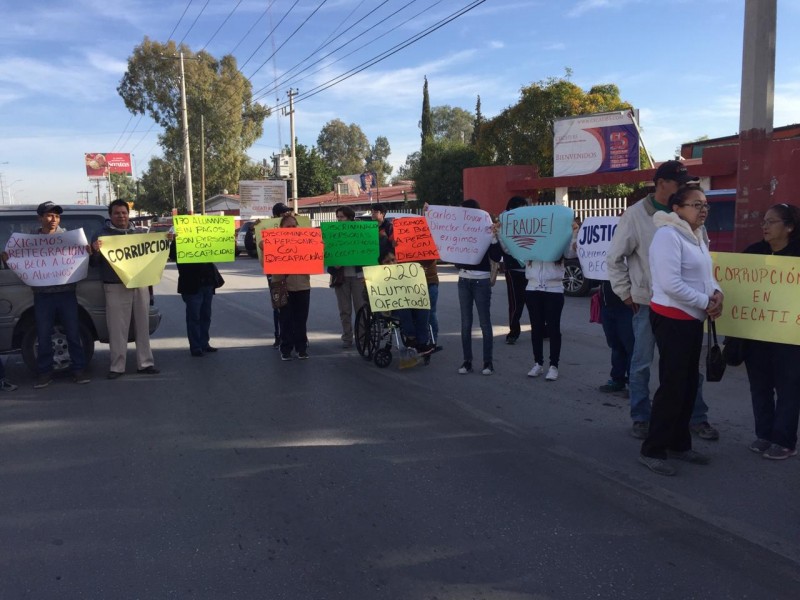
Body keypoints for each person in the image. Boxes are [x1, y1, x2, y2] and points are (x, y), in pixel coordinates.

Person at [607, 161, 720, 441]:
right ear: (661, 184)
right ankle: (642, 418)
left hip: (686, 307)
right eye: (679, 183)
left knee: (687, 367)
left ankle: (695, 417)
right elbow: (614, 258)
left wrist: (714, 292)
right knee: (642, 363)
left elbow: (705, 257)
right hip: (648, 303)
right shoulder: (636, 215)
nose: (685, 189)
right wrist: (626, 292)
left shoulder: (689, 215)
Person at [638, 186, 723, 476]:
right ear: (676, 208)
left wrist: (717, 294)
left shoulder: (696, 236)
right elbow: (670, 283)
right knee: (673, 385)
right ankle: (653, 449)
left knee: (688, 384)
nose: (703, 210)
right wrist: (705, 303)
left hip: (692, 318)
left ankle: (679, 443)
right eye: (696, 204)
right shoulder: (667, 235)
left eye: (705, 205)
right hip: (672, 318)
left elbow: (706, 275)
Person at [742, 203, 800, 460]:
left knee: (789, 388)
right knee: (760, 386)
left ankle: (784, 440)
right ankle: (764, 434)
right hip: (757, 333)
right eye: (763, 221)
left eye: (771, 221)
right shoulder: (753, 253)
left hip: (791, 336)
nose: (764, 226)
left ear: (789, 227)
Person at [91, 199, 161, 379]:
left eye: (124, 213)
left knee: (142, 326)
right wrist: (95, 251)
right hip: (114, 286)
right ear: (110, 215)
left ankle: (145, 363)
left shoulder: (137, 233)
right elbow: (94, 263)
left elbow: (150, 257)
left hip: (139, 284)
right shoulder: (101, 236)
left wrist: (166, 241)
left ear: (128, 214)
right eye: (117, 213)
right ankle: (117, 366)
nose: (121, 216)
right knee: (117, 328)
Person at [31, 202, 91, 387]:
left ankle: (79, 370)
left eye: (56, 216)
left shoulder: (69, 239)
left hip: (66, 294)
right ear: (40, 218)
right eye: (49, 215)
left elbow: (83, 259)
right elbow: (19, 260)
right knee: (43, 334)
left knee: (73, 333)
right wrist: (8, 257)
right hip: (43, 295)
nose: (53, 220)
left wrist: (88, 251)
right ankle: (44, 372)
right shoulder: (30, 241)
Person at [524, 223, 577, 382]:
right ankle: (537, 363)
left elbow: (570, 253)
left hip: (554, 289)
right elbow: (512, 250)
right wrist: (498, 235)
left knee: (553, 328)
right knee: (536, 328)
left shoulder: (559, 240)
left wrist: (574, 233)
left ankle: (554, 366)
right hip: (533, 288)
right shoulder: (529, 241)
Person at [456, 199, 503, 376]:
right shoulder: (460, 231)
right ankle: (467, 360)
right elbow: (455, 261)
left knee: (484, 322)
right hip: (464, 279)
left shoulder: (485, 230)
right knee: (466, 323)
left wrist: (492, 238)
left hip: (481, 281)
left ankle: (487, 362)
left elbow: (497, 257)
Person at [169, 240, 224, 357]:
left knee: (206, 316)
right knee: (194, 317)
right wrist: (176, 240)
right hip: (192, 284)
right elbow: (172, 255)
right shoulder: (181, 240)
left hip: (207, 283)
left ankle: (204, 343)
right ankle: (196, 346)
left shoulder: (206, 237)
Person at [272, 214, 311, 360]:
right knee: (285, 318)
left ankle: (301, 348)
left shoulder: (306, 242)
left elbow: (317, 257)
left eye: (294, 226)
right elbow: (266, 265)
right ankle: (286, 348)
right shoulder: (273, 243)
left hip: (302, 285)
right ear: (281, 228)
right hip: (282, 285)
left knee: (301, 319)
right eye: (288, 226)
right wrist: (265, 247)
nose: (292, 229)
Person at [327, 206, 366, 349]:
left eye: (342, 217)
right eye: (338, 217)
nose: (339, 220)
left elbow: (368, 251)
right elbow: (328, 253)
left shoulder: (361, 232)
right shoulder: (332, 232)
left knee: (361, 308)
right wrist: (333, 265)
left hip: (358, 276)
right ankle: (347, 337)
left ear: (350, 217)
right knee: (344, 310)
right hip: (341, 277)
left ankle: (362, 337)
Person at [597, 279, 634, 394]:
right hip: (607, 304)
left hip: (626, 305)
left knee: (631, 346)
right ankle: (617, 379)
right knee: (615, 344)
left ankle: (635, 384)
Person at [500, 196, 529, 345]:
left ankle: (541, 329)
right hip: (513, 270)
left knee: (535, 303)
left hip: (531, 270)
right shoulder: (503, 225)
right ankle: (514, 332)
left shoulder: (531, 223)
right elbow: (506, 248)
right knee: (515, 303)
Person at [267, 202, 292, 349]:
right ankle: (279, 336)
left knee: (295, 306)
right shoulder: (269, 227)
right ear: (276, 215)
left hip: (294, 273)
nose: (286, 214)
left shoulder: (295, 225)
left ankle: (296, 335)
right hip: (275, 273)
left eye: (287, 212)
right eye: (283, 213)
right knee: (279, 305)